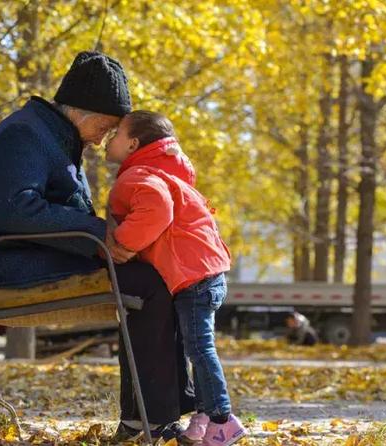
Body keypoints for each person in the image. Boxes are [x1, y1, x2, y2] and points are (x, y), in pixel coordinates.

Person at [0, 52, 194, 441]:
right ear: (84, 110)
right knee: (151, 285)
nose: (106, 138)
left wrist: (110, 233)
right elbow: (18, 211)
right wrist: (99, 235)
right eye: (108, 126)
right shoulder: (25, 135)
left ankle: (146, 419)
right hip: (0, 267)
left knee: (155, 278)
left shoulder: (51, 135)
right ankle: (152, 421)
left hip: (25, 255)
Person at [105, 111, 249, 446]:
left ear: (133, 144)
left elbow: (156, 210)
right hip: (204, 273)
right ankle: (201, 417)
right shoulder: (166, 174)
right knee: (190, 346)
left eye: (116, 134)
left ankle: (223, 421)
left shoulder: (138, 176)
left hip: (193, 279)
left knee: (199, 349)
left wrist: (119, 244)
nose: (108, 139)